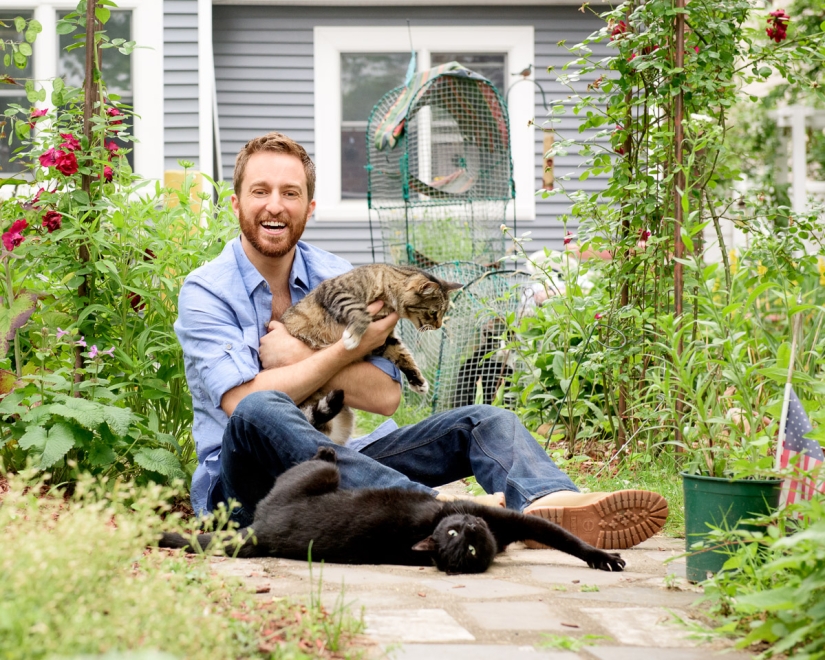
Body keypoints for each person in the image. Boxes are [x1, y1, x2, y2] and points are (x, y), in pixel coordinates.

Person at [174, 132, 668, 549]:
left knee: (483, 419)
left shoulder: (340, 276)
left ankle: (545, 503)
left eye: (291, 192)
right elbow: (243, 401)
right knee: (263, 409)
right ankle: (437, 510)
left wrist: (304, 354)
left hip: (329, 469)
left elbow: (386, 397)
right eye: (260, 191)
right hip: (244, 494)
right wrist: (348, 348)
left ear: (310, 205)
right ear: (236, 202)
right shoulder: (207, 290)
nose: (275, 205)